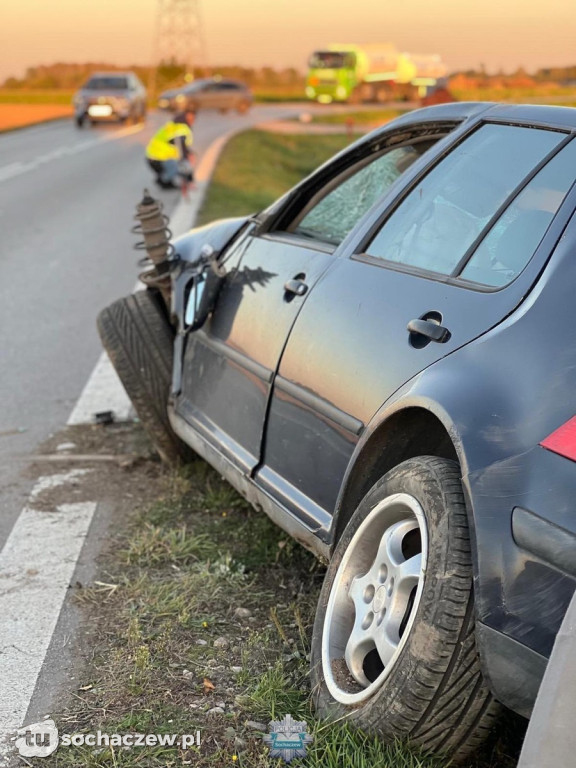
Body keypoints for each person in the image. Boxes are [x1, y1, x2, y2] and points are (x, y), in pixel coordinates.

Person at [145, 109, 196, 190]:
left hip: (151, 157)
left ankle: (166, 182)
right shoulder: (181, 129)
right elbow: (182, 149)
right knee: (180, 166)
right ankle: (162, 180)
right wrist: (190, 178)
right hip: (159, 158)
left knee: (177, 164)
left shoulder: (172, 125)